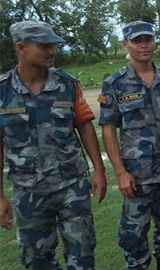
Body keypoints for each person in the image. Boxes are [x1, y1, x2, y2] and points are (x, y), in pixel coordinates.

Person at [0, 20, 107, 270]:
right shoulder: (2, 90)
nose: (52, 51)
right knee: (36, 260)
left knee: (82, 254)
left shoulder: (67, 84)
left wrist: (99, 171)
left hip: (71, 185)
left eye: (54, 45)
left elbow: (84, 125)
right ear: (21, 48)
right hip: (27, 191)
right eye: (43, 46)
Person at [98, 20, 160, 270]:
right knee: (133, 237)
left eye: (148, 39)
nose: (144, 45)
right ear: (126, 44)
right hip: (136, 176)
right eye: (137, 41)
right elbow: (108, 129)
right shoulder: (114, 84)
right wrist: (121, 173)